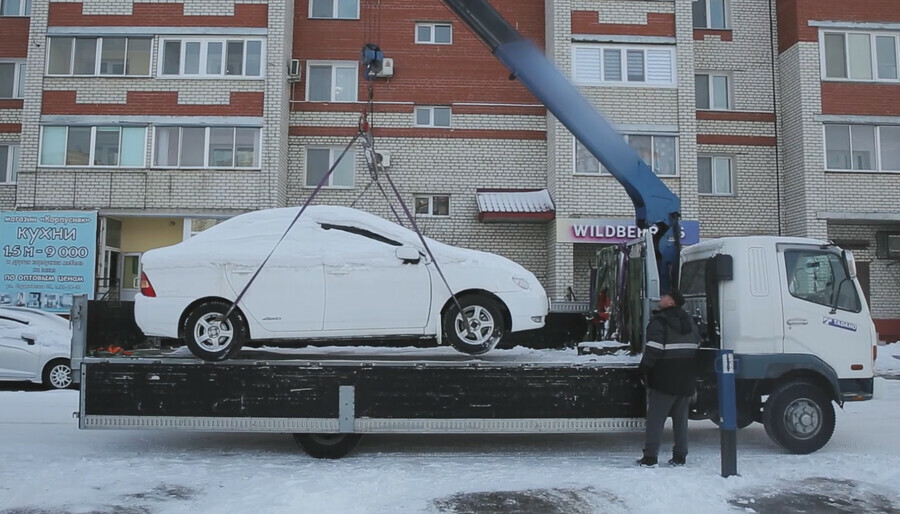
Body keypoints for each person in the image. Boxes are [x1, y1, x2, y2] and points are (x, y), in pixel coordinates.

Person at [637, 289, 700, 467]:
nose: (661, 298)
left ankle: (650, 457)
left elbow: (654, 350)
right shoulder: (689, 321)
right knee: (681, 420)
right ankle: (680, 456)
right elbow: (697, 343)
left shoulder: (659, 322)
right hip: (686, 375)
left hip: (665, 377)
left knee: (656, 419)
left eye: (665, 296)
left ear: (672, 302)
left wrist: (643, 369)